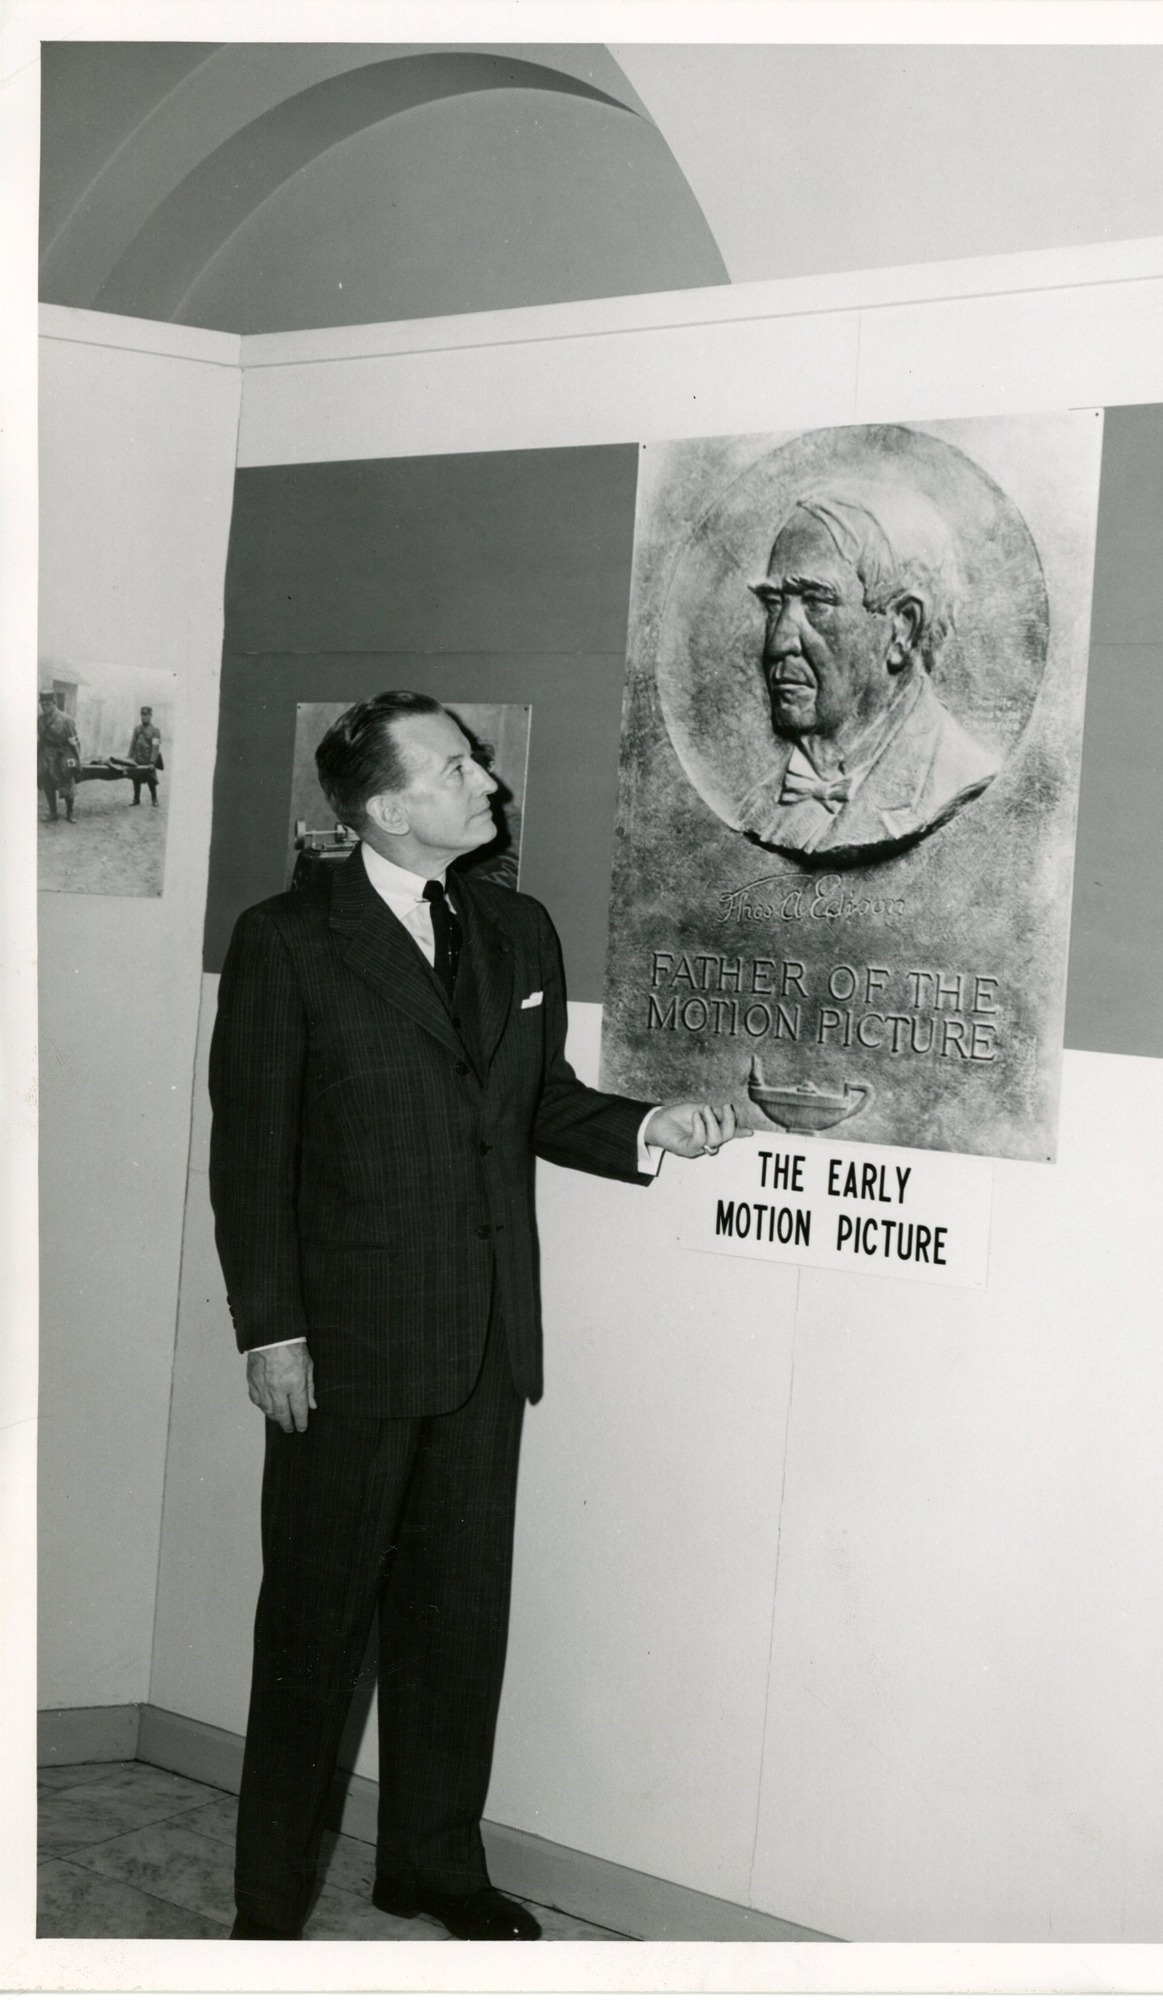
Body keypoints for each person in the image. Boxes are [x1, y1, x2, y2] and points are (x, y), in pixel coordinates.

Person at [209, 690, 736, 1942]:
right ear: (389, 806)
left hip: (485, 1347)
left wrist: (645, 1128)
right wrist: (269, 1331)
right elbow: (252, 1158)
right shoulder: (288, 940)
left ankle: (433, 1864)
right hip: (344, 1356)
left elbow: (536, 1101)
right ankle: (267, 1909)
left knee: (456, 1622)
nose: (485, 780)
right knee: (312, 1637)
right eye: (455, 766)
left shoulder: (514, 927)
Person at [734, 482, 1000, 856]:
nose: (778, 643)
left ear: (903, 629)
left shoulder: (961, 783)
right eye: (775, 604)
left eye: (815, 603)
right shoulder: (753, 809)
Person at [37, 691, 79, 822]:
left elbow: (74, 742)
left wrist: (76, 763)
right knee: (48, 785)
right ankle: (53, 813)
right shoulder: (40, 719)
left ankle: (70, 813)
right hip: (45, 757)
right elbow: (41, 740)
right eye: (42, 705)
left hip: (61, 758)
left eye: (48, 704)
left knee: (67, 785)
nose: (45, 708)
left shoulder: (66, 720)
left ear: (55, 703)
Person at [127, 705, 163, 805]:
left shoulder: (155, 730)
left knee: (151, 780)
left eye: (146, 715)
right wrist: (129, 758)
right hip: (137, 759)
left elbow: (155, 747)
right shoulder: (137, 729)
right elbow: (132, 744)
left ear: (150, 716)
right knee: (135, 779)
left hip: (148, 761)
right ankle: (136, 799)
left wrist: (152, 762)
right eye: (142, 715)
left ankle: (154, 799)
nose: (143, 717)